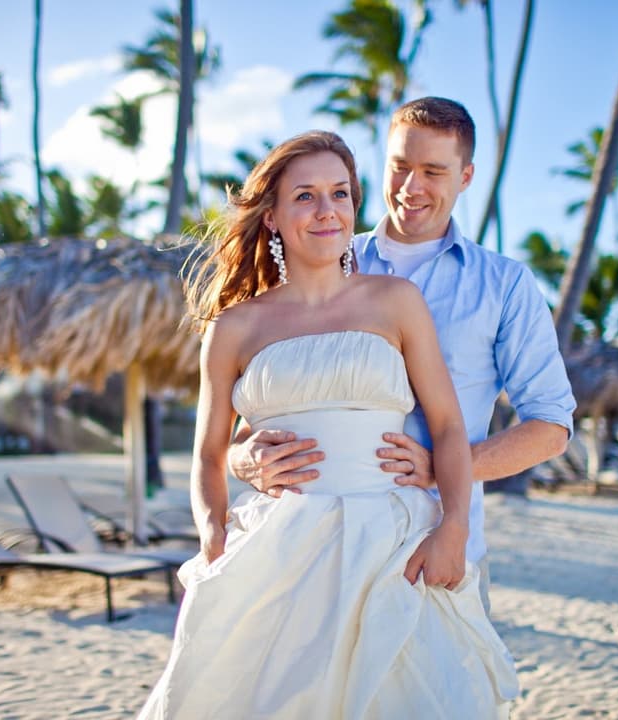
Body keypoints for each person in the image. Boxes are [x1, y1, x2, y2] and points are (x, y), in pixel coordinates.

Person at [138, 130, 518, 719]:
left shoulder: (395, 302)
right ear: (272, 216)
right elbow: (209, 455)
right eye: (306, 196)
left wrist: (454, 528)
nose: (327, 211)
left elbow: (446, 426)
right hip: (277, 547)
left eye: (340, 194)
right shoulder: (235, 328)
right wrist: (214, 539)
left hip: (393, 543)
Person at [229, 97, 576, 614]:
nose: (412, 188)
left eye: (434, 171)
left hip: (434, 547)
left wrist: (443, 469)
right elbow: (256, 408)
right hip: (309, 554)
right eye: (400, 167)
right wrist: (243, 458)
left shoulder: (505, 286)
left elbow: (551, 426)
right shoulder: (319, 254)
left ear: (466, 176)